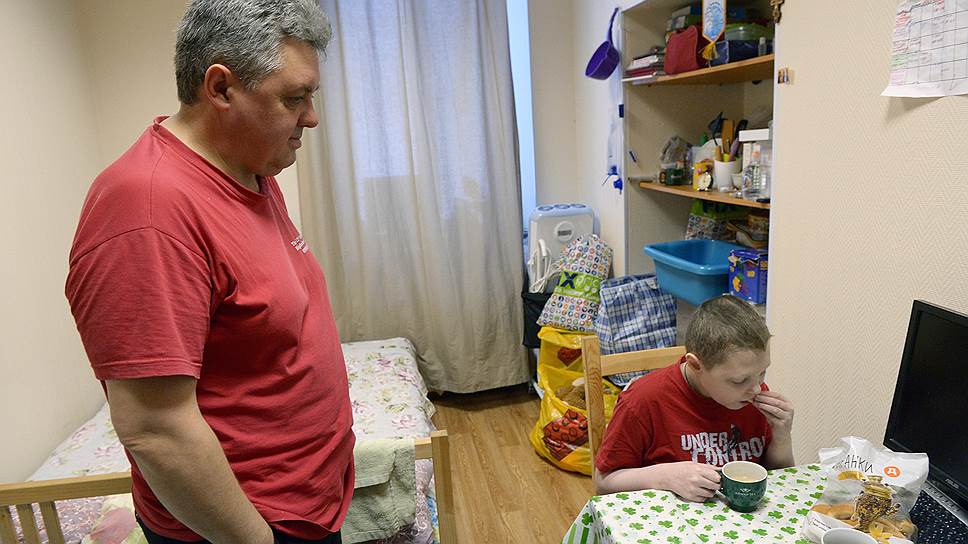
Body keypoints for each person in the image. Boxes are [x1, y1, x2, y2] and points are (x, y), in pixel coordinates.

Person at [65, 1, 352, 543]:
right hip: (245, 525)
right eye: (294, 98)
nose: (311, 117)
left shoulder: (249, 167)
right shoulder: (147, 210)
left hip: (305, 503)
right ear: (220, 88)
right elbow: (156, 428)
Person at [593, 294, 795, 501]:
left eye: (762, 372)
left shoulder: (751, 395)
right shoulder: (643, 400)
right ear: (696, 365)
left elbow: (780, 479)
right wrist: (664, 477)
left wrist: (781, 437)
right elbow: (603, 482)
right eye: (739, 380)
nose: (757, 388)